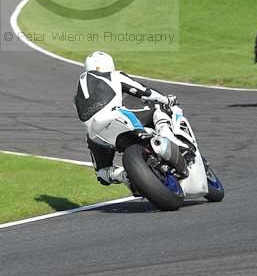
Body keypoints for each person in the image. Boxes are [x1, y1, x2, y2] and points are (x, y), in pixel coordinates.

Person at [74, 50, 182, 185]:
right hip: (117, 117)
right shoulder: (113, 75)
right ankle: (171, 140)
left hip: (95, 133)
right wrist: (166, 99)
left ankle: (125, 176)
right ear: (110, 64)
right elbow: (144, 91)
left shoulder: (79, 91)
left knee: (102, 173)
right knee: (158, 107)